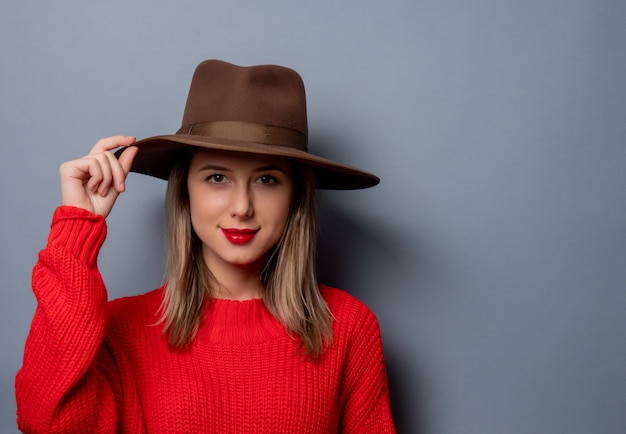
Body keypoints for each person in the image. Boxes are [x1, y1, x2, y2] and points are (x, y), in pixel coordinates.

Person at [15, 59, 396, 433]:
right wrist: (76, 228)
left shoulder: (346, 327)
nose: (242, 207)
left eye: (267, 180)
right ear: (184, 192)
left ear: (296, 197)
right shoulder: (123, 331)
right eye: (217, 177)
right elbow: (48, 423)